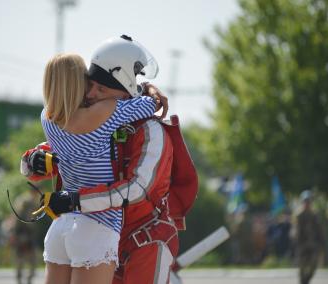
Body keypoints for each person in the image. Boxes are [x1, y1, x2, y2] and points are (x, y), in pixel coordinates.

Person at [21, 35, 198, 284]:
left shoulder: (151, 131)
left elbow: (136, 190)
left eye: (101, 89)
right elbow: (41, 161)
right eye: (90, 85)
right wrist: (31, 162)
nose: (91, 94)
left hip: (143, 242)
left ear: (124, 91)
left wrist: (75, 201)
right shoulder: (95, 119)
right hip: (99, 236)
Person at [39, 49, 163, 284]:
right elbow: (151, 104)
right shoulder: (108, 112)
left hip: (60, 226)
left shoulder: (46, 117)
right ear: (79, 82)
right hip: (97, 225)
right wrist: (148, 86)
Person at [10, 191, 39, 284]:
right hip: (21, 238)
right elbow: (17, 227)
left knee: (32, 263)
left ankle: (26, 281)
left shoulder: (31, 211)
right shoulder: (22, 211)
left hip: (28, 239)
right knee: (20, 262)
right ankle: (20, 281)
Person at [296, 190, 324, 284]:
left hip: (313, 244)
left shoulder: (315, 215)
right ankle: (302, 281)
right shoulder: (299, 215)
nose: (307, 203)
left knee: (314, 264)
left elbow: (319, 230)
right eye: (305, 201)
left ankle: (306, 280)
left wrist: (321, 242)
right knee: (302, 266)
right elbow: (297, 231)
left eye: (308, 201)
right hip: (303, 244)